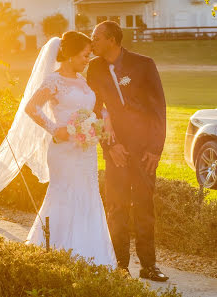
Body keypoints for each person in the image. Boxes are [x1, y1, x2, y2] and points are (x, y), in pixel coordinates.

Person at [22, 31, 116, 267]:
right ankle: (55, 251)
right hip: (63, 152)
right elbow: (31, 108)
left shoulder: (82, 81)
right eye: (85, 55)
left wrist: (98, 124)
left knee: (89, 197)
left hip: (85, 151)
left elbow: (88, 110)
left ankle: (91, 255)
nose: (88, 59)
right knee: (64, 197)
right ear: (72, 55)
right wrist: (55, 130)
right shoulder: (54, 81)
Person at [88, 21, 168, 281]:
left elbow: (158, 109)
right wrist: (110, 146)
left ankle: (149, 266)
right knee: (117, 207)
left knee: (144, 207)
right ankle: (120, 265)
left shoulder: (144, 65)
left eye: (96, 38)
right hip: (116, 152)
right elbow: (93, 111)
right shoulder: (93, 68)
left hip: (145, 150)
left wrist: (155, 149)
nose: (92, 43)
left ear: (111, 39)